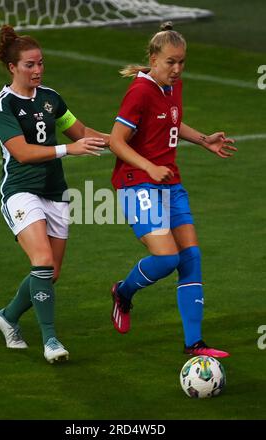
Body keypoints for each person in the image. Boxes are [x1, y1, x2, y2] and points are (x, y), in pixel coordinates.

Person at [109, 22, 237, 358]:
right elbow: (115, 141)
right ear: (153, 58)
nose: (177, 69)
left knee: (191, 257)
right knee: (167, 258)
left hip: (171, 183)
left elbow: (171, 121)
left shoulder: (170, 87)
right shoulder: (139, 91)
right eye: (170, 62)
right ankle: (123, 293)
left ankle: (194, 343)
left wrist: (203, 140)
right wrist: (148, 166)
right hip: (137, 184)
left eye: (181, 62)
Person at [0, 25, 109, 363]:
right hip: (19, 191)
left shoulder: (51, 98)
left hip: (55, 193)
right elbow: (23, 152)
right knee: (41, 261)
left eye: (41, 63)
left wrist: (125, 142)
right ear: (12, 67)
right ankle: (51, 341)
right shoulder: (1, 106)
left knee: (50, 273)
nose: (37, 70)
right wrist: (69, 150)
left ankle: (7, 318)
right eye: (30, 65)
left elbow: (82, 131)